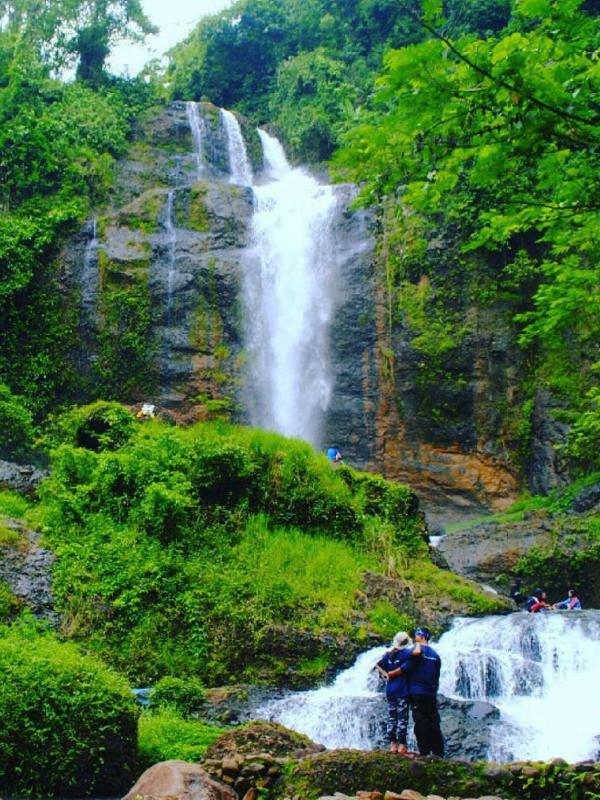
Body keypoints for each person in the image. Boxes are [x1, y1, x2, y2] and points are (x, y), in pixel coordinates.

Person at [403, 627, 444, 757]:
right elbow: (436, 676)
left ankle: (424, 752)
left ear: (422, 636)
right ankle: (438, 753)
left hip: (417, 692)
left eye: (418, 634)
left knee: (420, 722)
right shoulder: (436, 655)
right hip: (430, 693)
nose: (416, 636)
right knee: (433, 722)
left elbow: (405, 668)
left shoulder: (415, 651)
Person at [375, 632, 416, 755]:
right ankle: (402, 745)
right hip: (402, 690)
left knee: (392, 718)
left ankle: (392, 744)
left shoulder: (389, 654)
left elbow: (377, 664)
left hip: (390, 690)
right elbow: (412, 662)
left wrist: (386, 674)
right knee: (402, 719)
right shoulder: (407, 654)